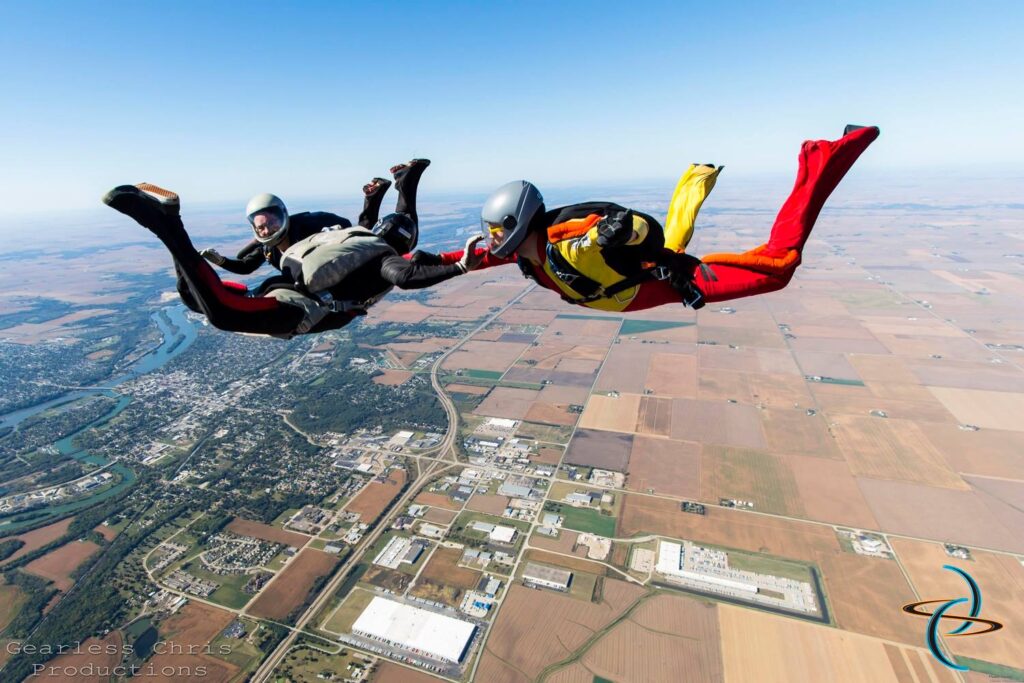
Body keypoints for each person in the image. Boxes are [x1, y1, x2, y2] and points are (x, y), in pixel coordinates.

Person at [423, 125, 879, 312]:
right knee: (674, 243)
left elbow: (638, 230)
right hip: (631, 284)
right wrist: (411, 260)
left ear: (520, 225)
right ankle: (696, 177)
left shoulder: (567, 239)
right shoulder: (525, 251)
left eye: (500, 230)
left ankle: (823, 158)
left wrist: (618, 231)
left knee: (778, 268)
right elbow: (471, 258)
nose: (494, 240)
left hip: (661, 281)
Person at [103, 159, 483, 338]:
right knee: (211, 306)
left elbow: (406, 269)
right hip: (302, 306)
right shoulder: (382, 253)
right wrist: (466, 263)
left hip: (301, 299)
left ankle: (168, 225)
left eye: (269, 219)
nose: (265, 226)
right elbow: (408, 269)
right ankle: (167, 224)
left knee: (199, 300)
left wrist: (463, 265)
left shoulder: (374, 251)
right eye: (260, 222)